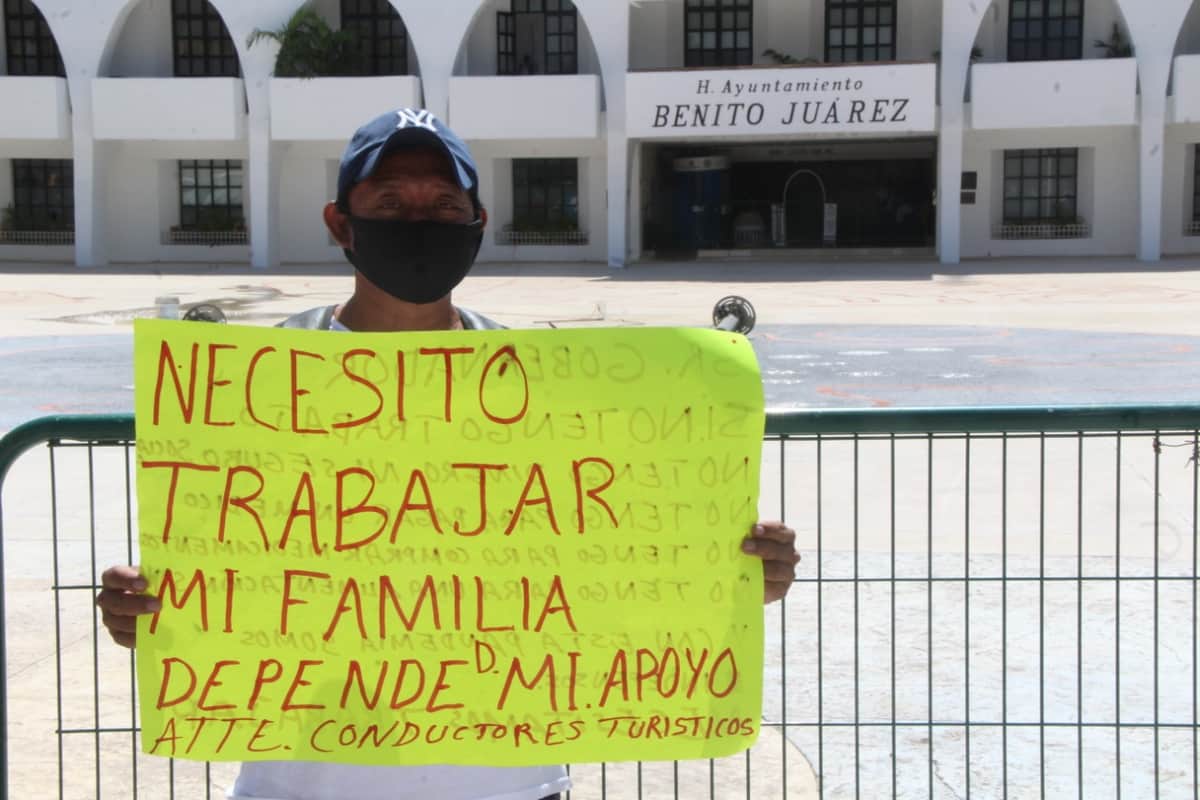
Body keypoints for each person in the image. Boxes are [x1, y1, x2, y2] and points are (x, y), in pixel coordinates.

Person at [96, 108, 800, 800]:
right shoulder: (250, 386)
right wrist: (146, 610)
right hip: (304, 780)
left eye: (442, 204)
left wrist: (732, 573)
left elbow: (619, 556)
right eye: (391, 201)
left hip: (506, 782)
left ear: (476, 227)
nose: (417, 221)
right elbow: (213, 567)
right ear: (341, 223)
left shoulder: (546, 390)